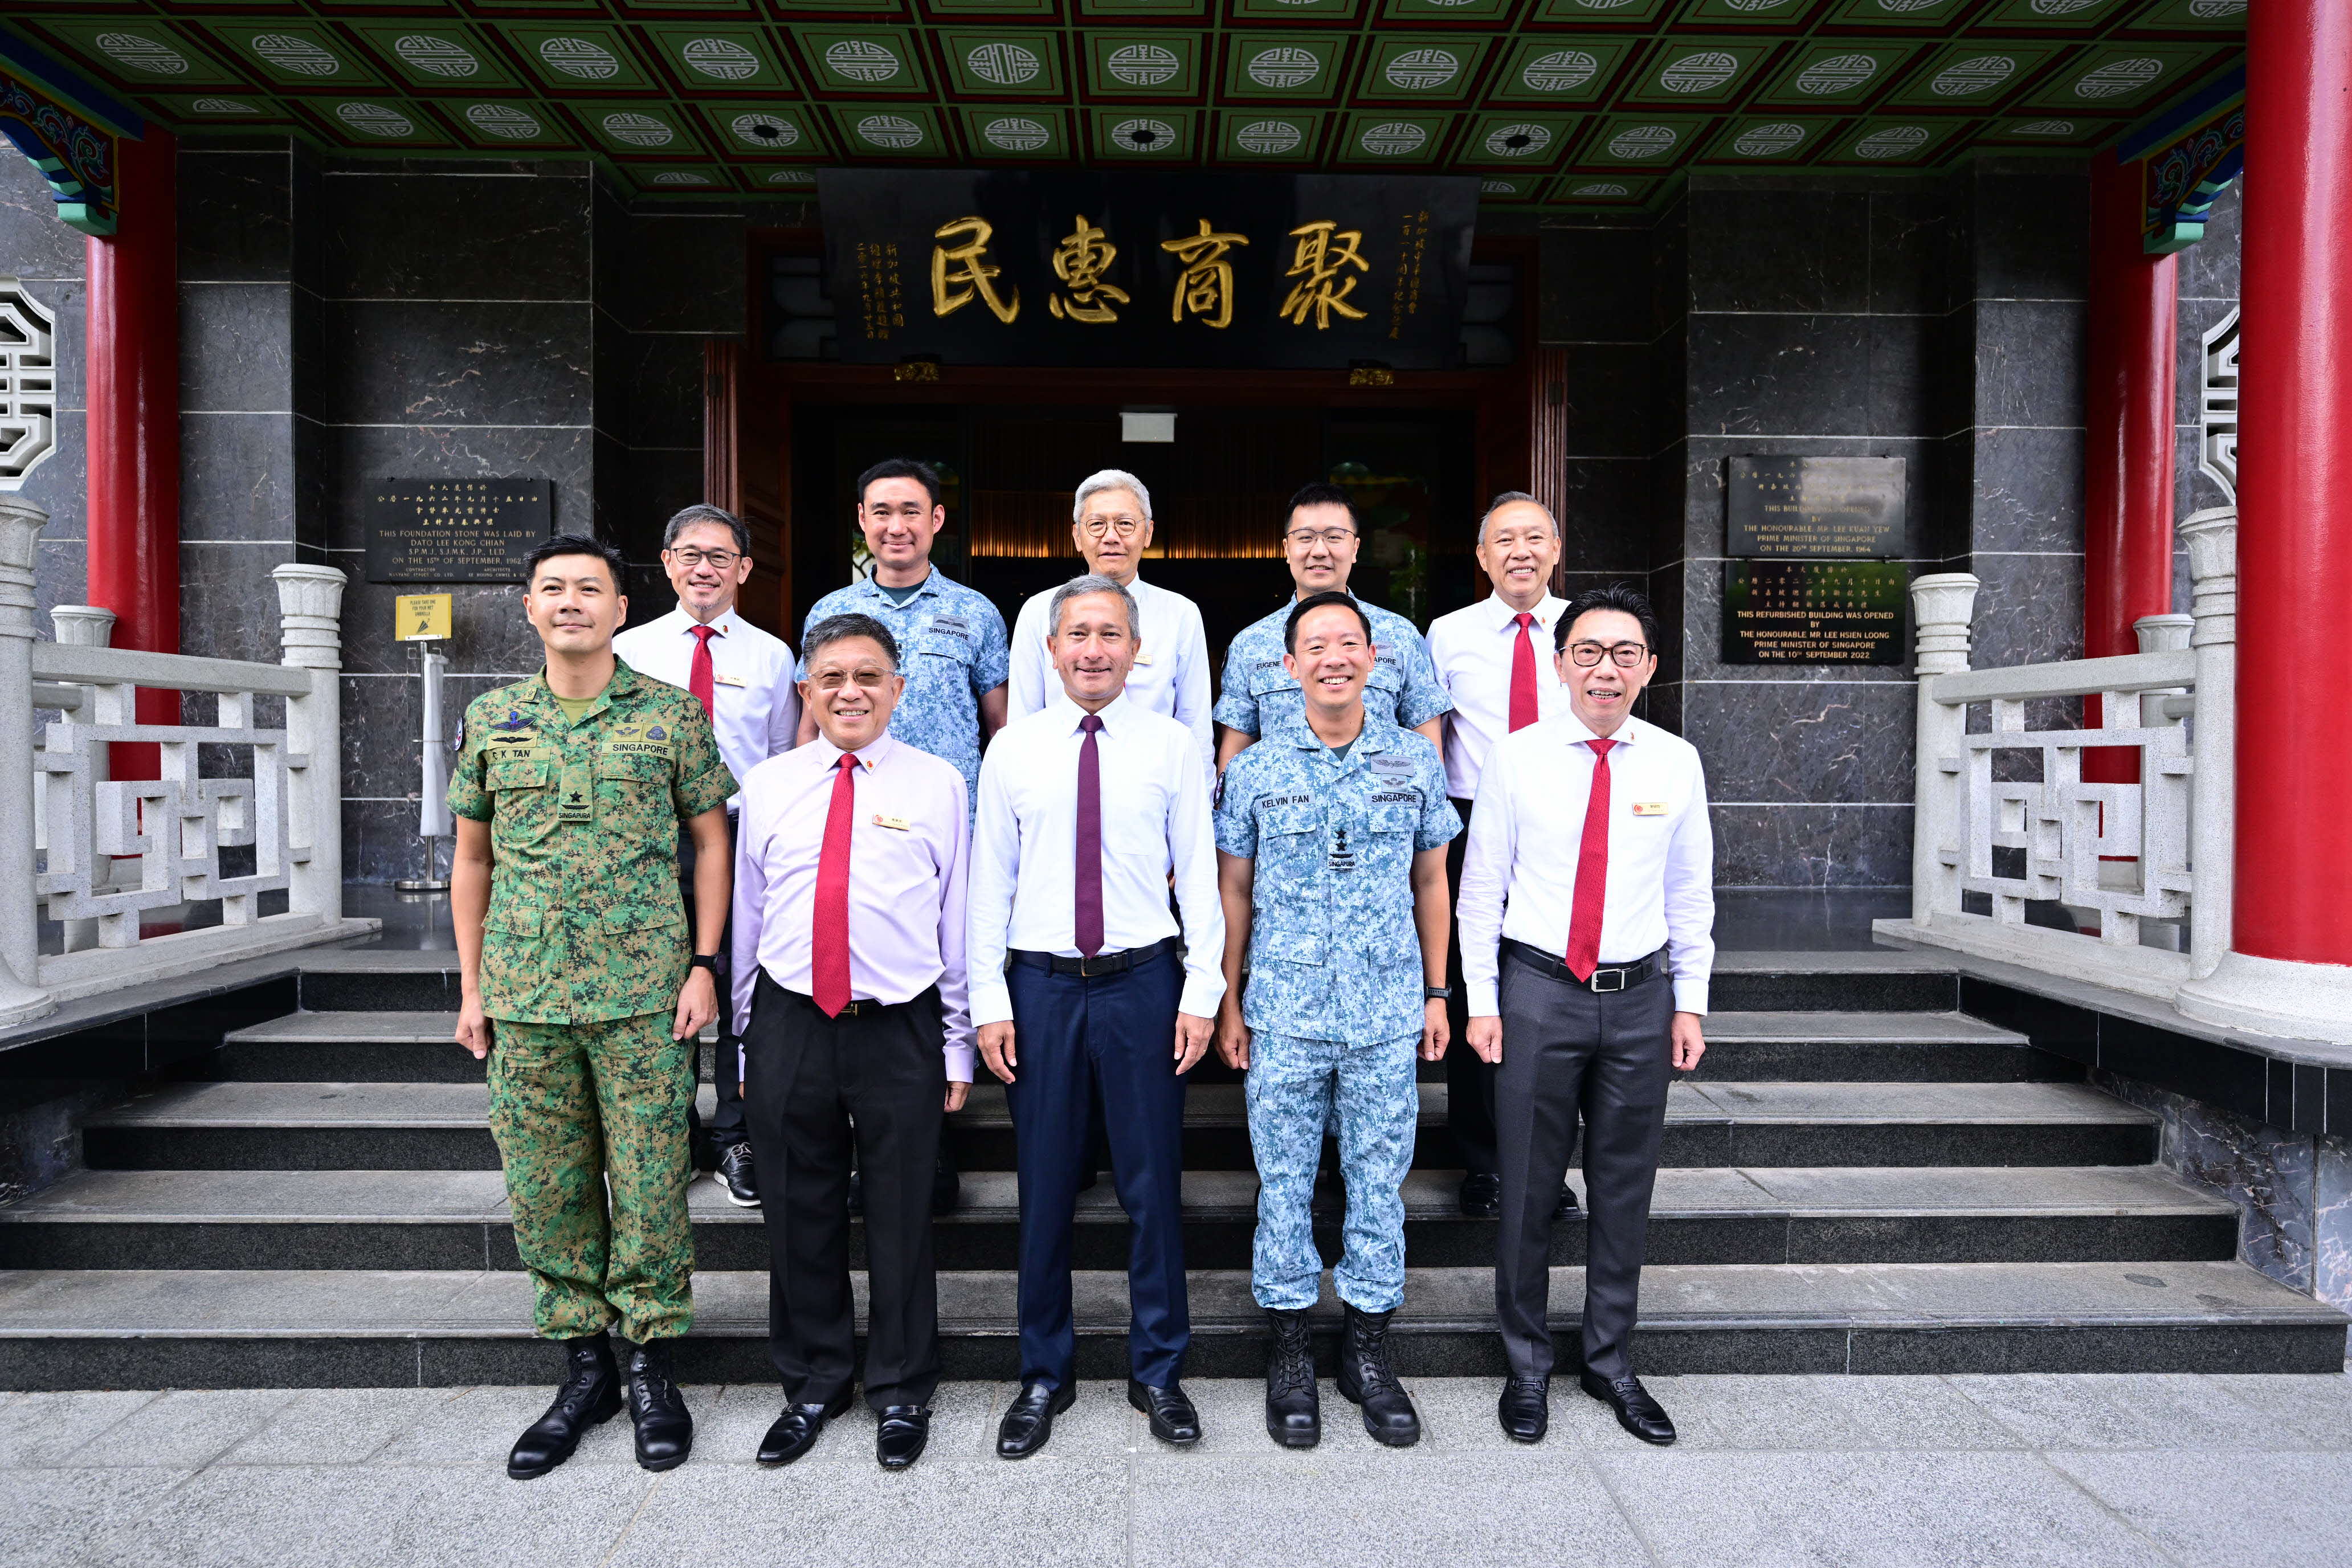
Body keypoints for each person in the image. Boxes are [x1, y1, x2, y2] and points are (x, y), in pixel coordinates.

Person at [448, 533, 737, 1479]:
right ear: (528, 607)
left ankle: (651, 1359)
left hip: (645, 995)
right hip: (526, 999)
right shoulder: (493, 718)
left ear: (621, 608)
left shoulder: (670, 716)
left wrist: (703, 965)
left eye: (590, 588)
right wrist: (472, 987)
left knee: (653, 1182)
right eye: (552, 588)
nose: (570, 602)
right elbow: (472, 860)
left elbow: (710, 842)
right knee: (546, 1187)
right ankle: (584, 1367)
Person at [968, 574, 1224, 1458]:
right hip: (1040, 987)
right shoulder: (1015, 749)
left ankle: (1158, 1370)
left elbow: (1198, 874)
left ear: (1135, 647)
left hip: (1141, 984)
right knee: (1043, 1188)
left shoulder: (1171, 747)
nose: (1093, 649)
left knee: (1153, 1187)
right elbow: (986, 883)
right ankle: (1044, 1372)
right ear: (1050, 649)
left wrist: (1202, 991)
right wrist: (989, 1000)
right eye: (1077, 633)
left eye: (1110, 633)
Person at [1457, 582, 1713, 1448]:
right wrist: (1482, 1003)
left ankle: (1609, 1363)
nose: (1607, 670)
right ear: (1561, 663)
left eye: (1626, 654)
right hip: (1537, 991)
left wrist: (1691, 1001)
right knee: (1528, 1187)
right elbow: (1480, 888)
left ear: (1650, 667)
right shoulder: (1517, 757)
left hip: (1640, 1000)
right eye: (1590, 653)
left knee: (1623, 1190)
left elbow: (1690, 893)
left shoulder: (1675, 762)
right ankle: (1526, 1365)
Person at [1213, 590, 1459, 1451]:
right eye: (1314, 646)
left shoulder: (1414, 764)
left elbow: (1433, 883)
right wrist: (1229, 998)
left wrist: (1436, 995)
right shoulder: (1254, 771)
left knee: (1377, 1184)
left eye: (1348, 643)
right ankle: (1287, 1353)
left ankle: (1367, 1351)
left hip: (1388, 1012)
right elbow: (1232, 892)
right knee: (1282, 1184)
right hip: (1282, 1010)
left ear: (1374, 658)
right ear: (1288, 668)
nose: (1333, 658)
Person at [730, 613, 971, 1472]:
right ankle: (815, 1380)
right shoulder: (768, 784)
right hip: (791, 1017)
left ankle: (902, 1386)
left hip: (897, 1019)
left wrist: (956, 1046)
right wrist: (747, 1041)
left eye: (868, 676)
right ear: (807, 691)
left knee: (904, 1211)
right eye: (831, 678)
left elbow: (958, 917)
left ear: (897, 690)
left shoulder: (938, 783)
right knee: (798, 1207)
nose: (850, 692)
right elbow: (750, 915)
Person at [799, 456, 1010, 1215]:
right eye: (882, 511)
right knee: (852, 985)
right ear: (862, 520)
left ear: (937, 521)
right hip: (846, 827)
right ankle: (850, 1152)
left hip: (943, 829)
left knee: (930, 981)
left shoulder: (977, 612)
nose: (897, 526)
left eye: (912, 511)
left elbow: (1000, 725)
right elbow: (809, 722)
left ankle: (931, 1151)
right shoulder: (830, 609)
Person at [612, 503, 799, 1208]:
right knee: (666, 987)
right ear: (666, 563)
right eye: (690, 554)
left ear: (744, 569)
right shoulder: (629, 650)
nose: (704, 568)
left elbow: (784, 759)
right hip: (653, 848)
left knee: (741, 987)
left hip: (744, 844)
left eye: (721, 556)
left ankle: (735, 1135)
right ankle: (673, 1130)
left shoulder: (771, 656)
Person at [1422, 493, 1578, 1222]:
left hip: (1565, 824)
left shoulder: (1585, 631)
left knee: (1553, 992)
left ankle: (1548, 1164)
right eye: (1504, 540)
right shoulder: (1447, 633)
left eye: (1534, 538)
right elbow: (1430, 737)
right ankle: (1483, 1163)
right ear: (1482, 557)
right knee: (1470, 983)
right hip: (1468, 821)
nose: (1521, 551)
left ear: (1555, 549)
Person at [1212, 480, 1450, 773]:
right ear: (1287, 549)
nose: (1320, 550)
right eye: (1305, 538)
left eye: (1335, 537)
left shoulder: (1400, 635)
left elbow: (1426, 751)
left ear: (1355, 548)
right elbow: (1234, 763)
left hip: (1382, 812)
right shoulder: (1251, 644)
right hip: (1287, 813)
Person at [1006, 468, 1214, 783]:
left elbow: (1195, 721)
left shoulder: (1181, 614)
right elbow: (1023, 716)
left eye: (1125, 524)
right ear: (1077, 536)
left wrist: (1199, 799)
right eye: (1097, 524)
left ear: (1148, 533)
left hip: (1154, 782)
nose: (1111, 537)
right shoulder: (1038, 611)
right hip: (1058, 780)